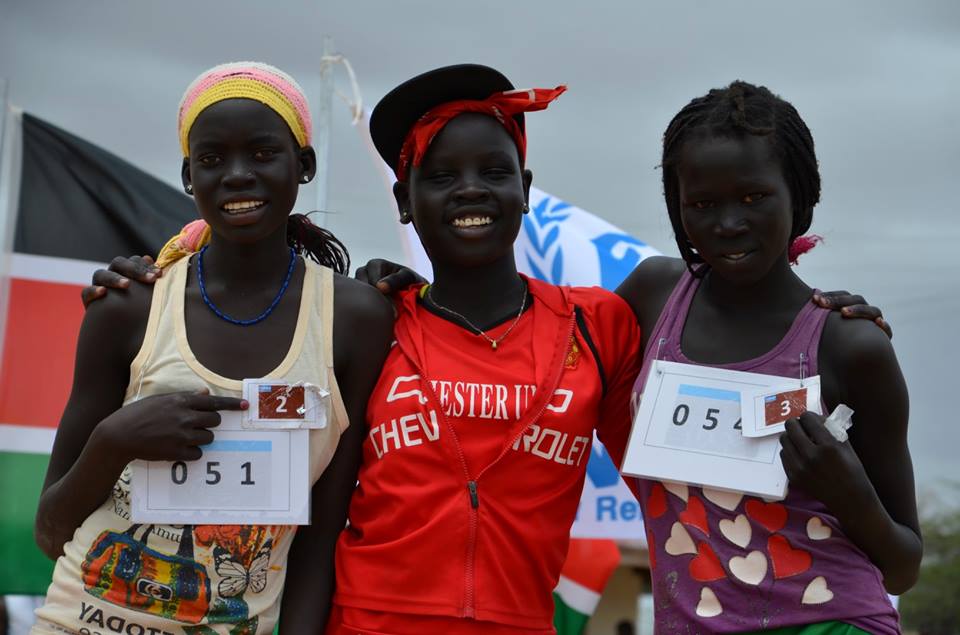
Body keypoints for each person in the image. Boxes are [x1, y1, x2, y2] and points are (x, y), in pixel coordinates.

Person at [84, 66, 891, 634]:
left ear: (525, 188)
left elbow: (729, 295)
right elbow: (258, 304)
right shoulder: (370, 315)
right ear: (405, 200)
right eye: (441, 175)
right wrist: (155, 267)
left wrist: (829, 312)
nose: (470, 189)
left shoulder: (603, 321)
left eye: (493, 171)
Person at [31, 62, 393, 635]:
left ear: (304, 167)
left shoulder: (354, 320)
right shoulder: (129, 309)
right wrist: (115, 440)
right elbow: (51, 534)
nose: (238, 175)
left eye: (263, 153)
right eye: (213, 159)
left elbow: (320, 537)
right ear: (187, 176)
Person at [612, 81, 919, 633]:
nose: (729, 223)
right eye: (702, 204)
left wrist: (849, 492)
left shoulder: (849, 346)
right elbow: (536, 337)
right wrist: (417, 296)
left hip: (835, 622)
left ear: (798, 197)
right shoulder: (650, 298)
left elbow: (904, 567)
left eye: (753, 197)